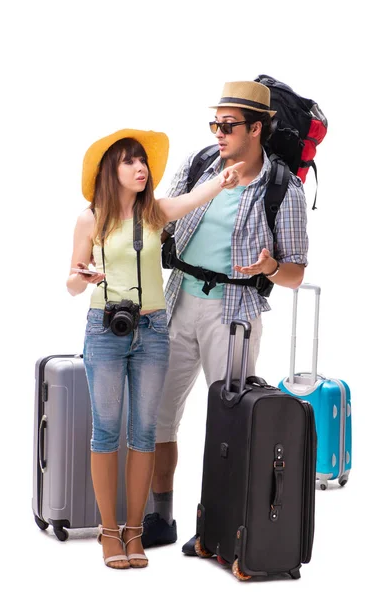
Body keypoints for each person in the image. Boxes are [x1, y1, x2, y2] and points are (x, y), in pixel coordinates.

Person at [141, 82, 309, 554]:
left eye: (228, 125)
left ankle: (218, 526)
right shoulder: (200, 166)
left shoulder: (283, 189)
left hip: (233, 314)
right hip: (178, 304)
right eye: (214, 123)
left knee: (230, 425)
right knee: (158, 417)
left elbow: (295, 272)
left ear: (257, 129)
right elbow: (159, 218)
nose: (218, 132)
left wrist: (270, 267)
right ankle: (161, 516)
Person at [66, 128, 242, 570]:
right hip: (105, 329)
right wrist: (84, 277)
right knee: (106, 431)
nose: (140, 167)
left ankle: (135, 531)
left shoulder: (157, 213)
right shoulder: (91, 219)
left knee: (144, 432)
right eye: (130, 161)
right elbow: (70, 282)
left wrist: (223, 180)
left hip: (153, 329)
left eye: (142, 160)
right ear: (112, 169)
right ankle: (109, 534)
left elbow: (194, 199)